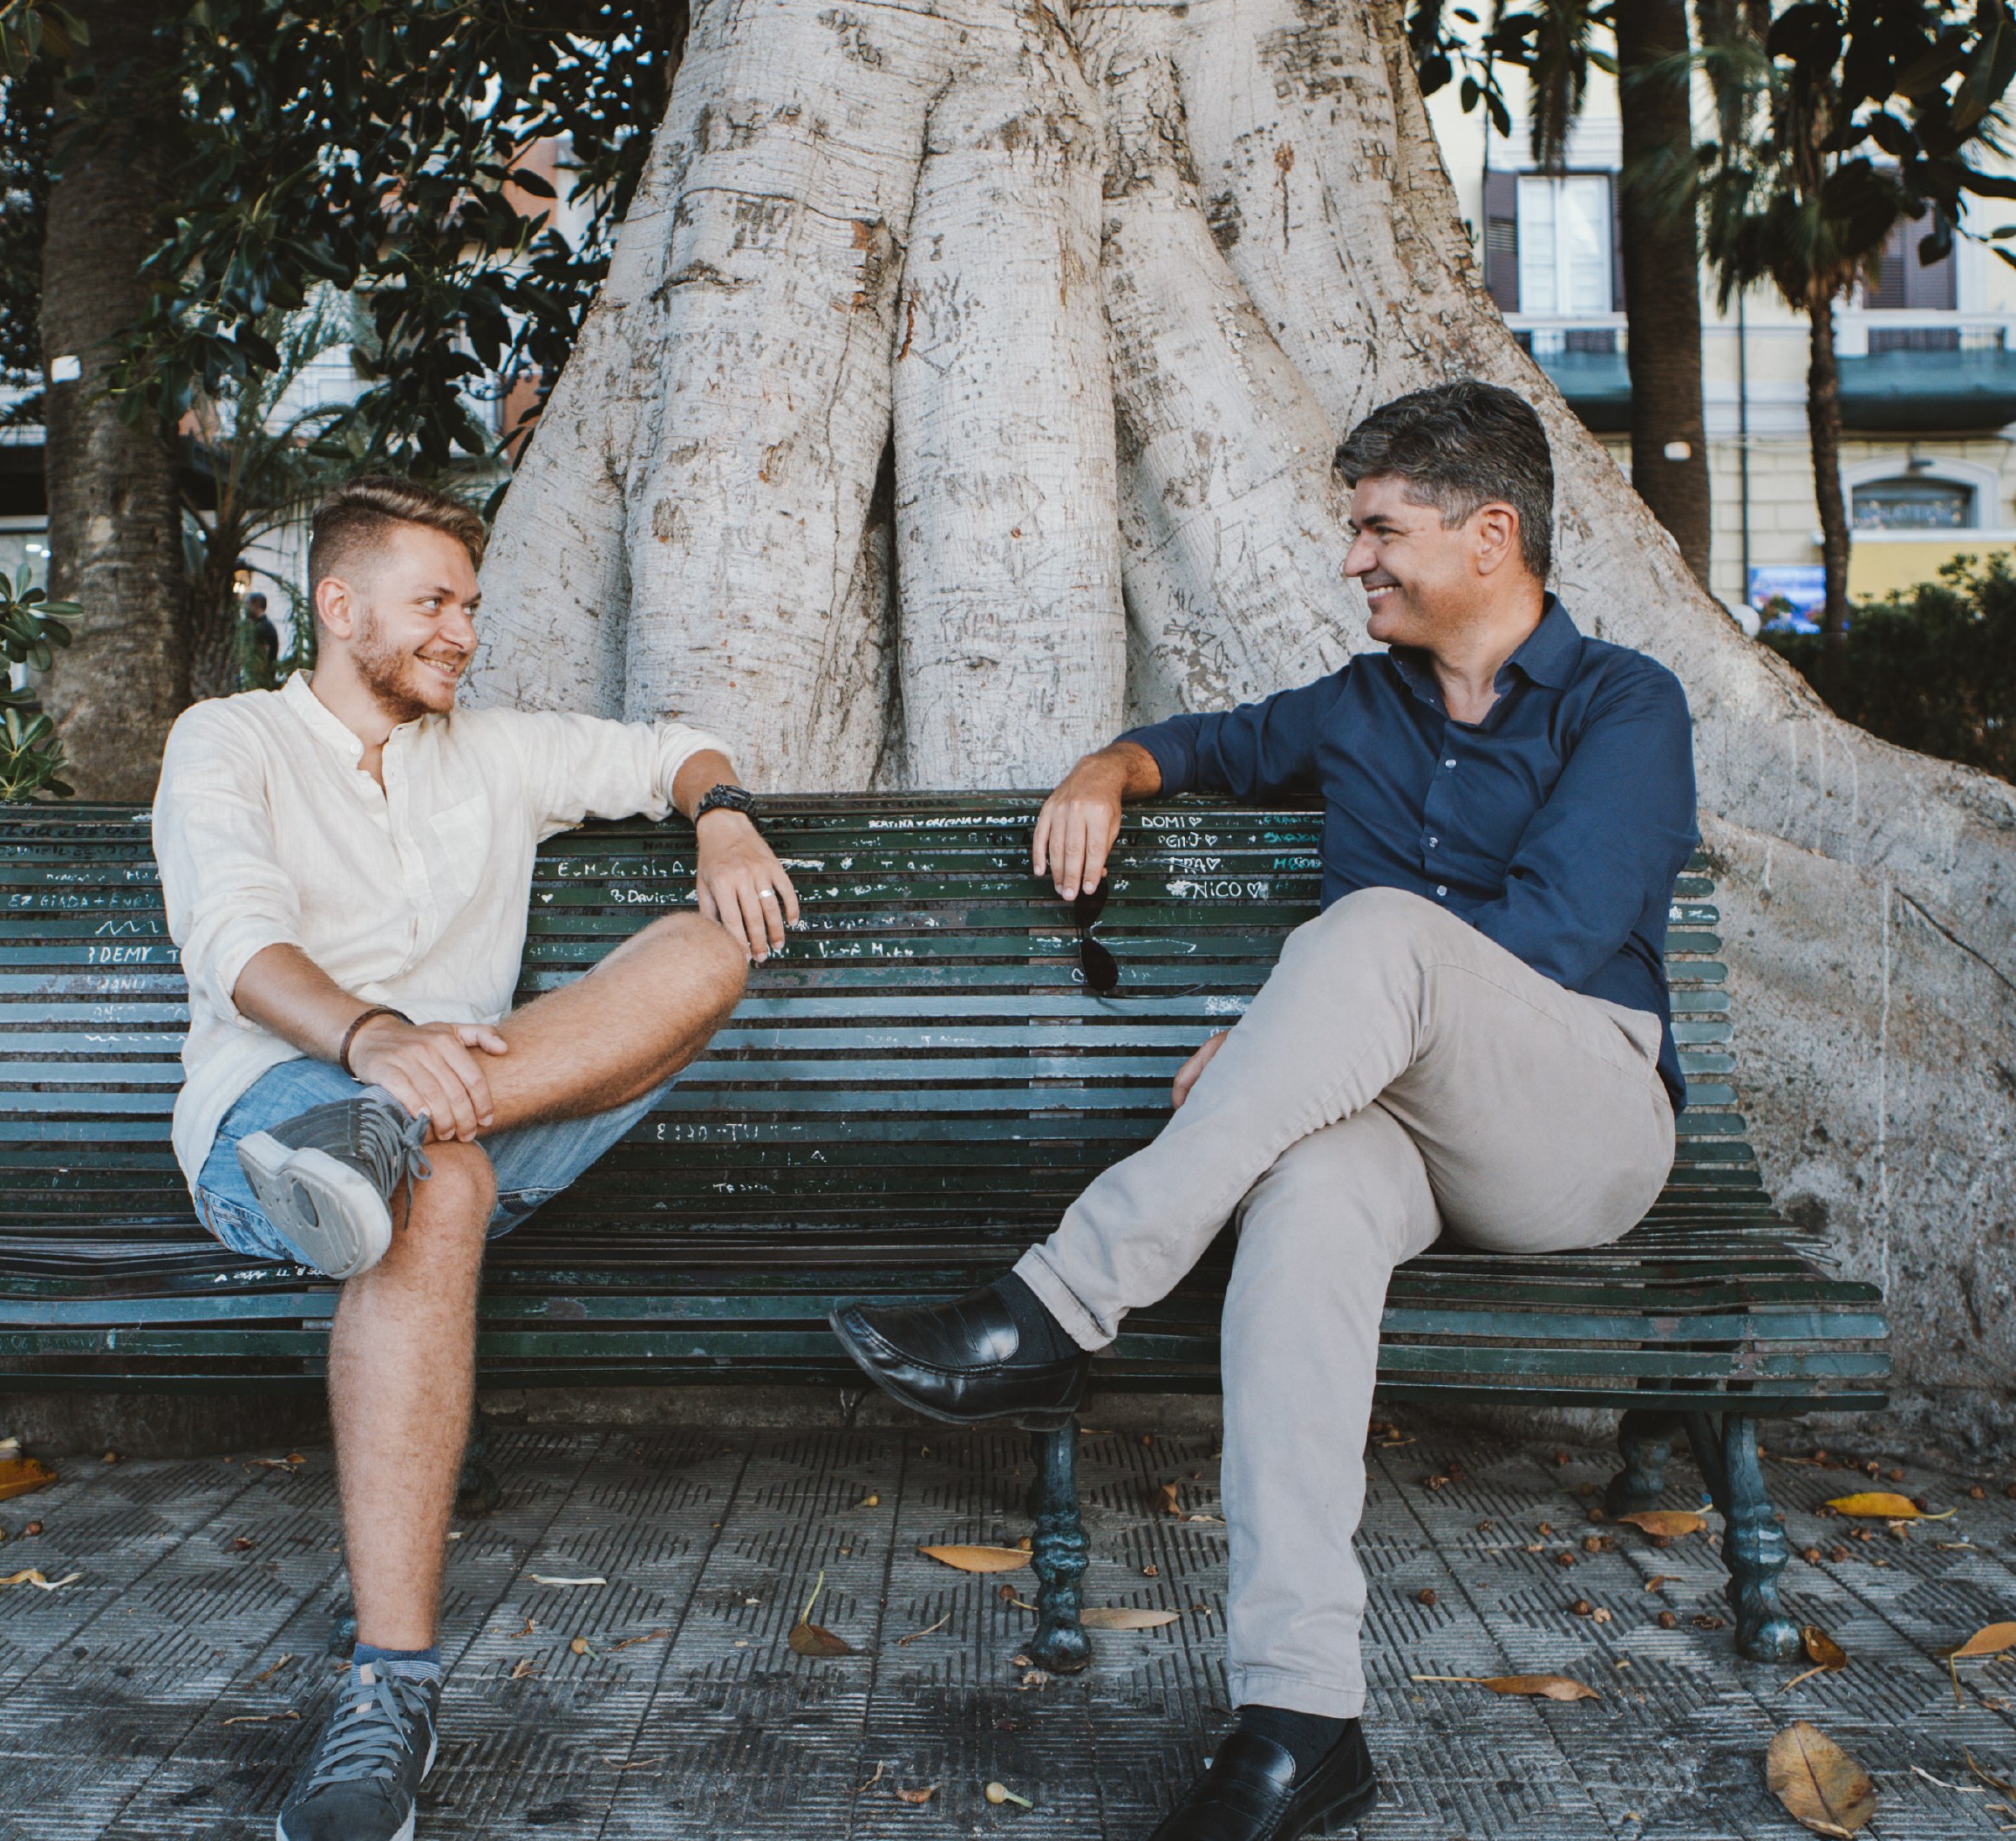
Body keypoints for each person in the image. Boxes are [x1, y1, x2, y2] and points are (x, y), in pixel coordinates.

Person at [831, 381, 1698, 1841]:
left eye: (1379, 528)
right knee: (1303, 1209)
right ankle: (1302, 1714)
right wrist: (1109, 768)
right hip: (1406, 1127)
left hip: (1577, 1119)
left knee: (1367, 938)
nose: (1352, 558)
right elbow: (1212, 744)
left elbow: (1550, 939)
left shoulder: (1625, 704)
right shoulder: (1358, 703)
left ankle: (1054, 1307)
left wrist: (1284, 1030)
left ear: (1491, 535)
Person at [153, 474, 799, 1841]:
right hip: (274, 1117)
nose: (461, 631)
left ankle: (394, 1138)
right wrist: (374, 1039)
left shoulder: (495, 751)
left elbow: (670, 749)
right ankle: (388, 1688)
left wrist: (723, 812)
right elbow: (234, 940)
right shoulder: (229, 741)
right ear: (339, 606)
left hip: (474, 1099)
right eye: (432, 602)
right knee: (432, 1188)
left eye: (471, 606)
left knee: (700, 945)